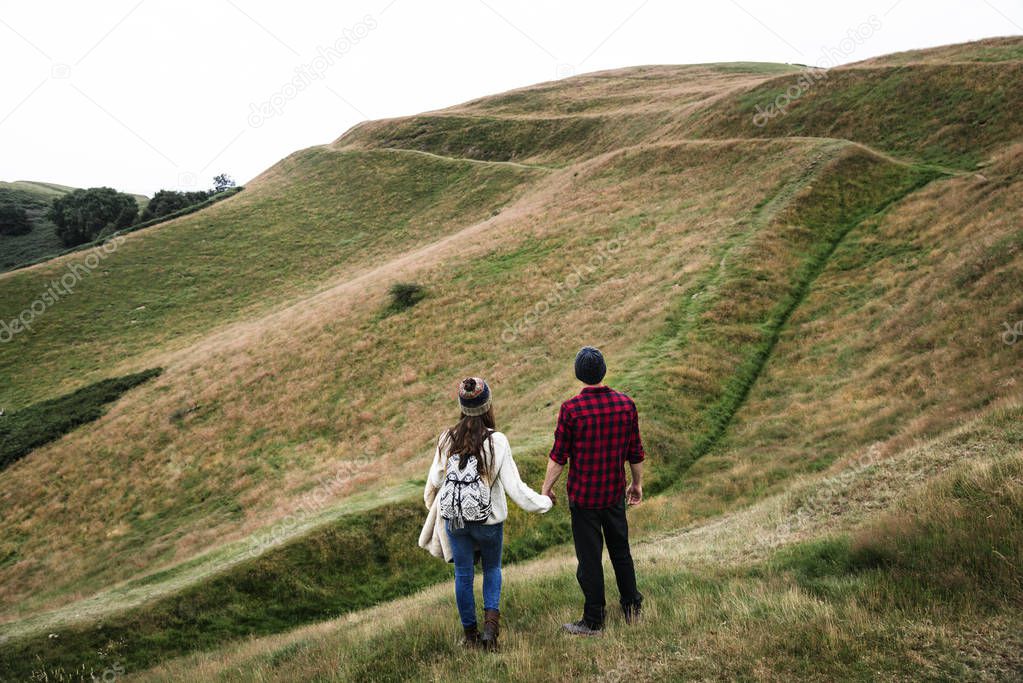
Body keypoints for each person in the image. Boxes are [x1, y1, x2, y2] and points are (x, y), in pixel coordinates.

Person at [422, 377, 553, 650]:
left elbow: (434, 480)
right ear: (488, 405)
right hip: (488, 522)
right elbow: (516, 489)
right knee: (492, 569)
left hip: (456, 521)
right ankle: (490, 632)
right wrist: (545, 502)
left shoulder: (447, 438)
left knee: (463, 575)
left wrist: (432, 506)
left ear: (461, 405)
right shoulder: (497, 441)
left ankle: (469, 637)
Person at [541, 346, 645, 635]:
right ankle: (632, 609)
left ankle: (594, 619)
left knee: (590, 559)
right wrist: (636, 484)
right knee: (621, 551)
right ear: (604, 371)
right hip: (613, 494)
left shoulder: (571, 410)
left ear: (578, 374)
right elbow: (635, 452)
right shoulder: (626, 405)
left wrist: (546, 489)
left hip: (584, 498)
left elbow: (558, 457)